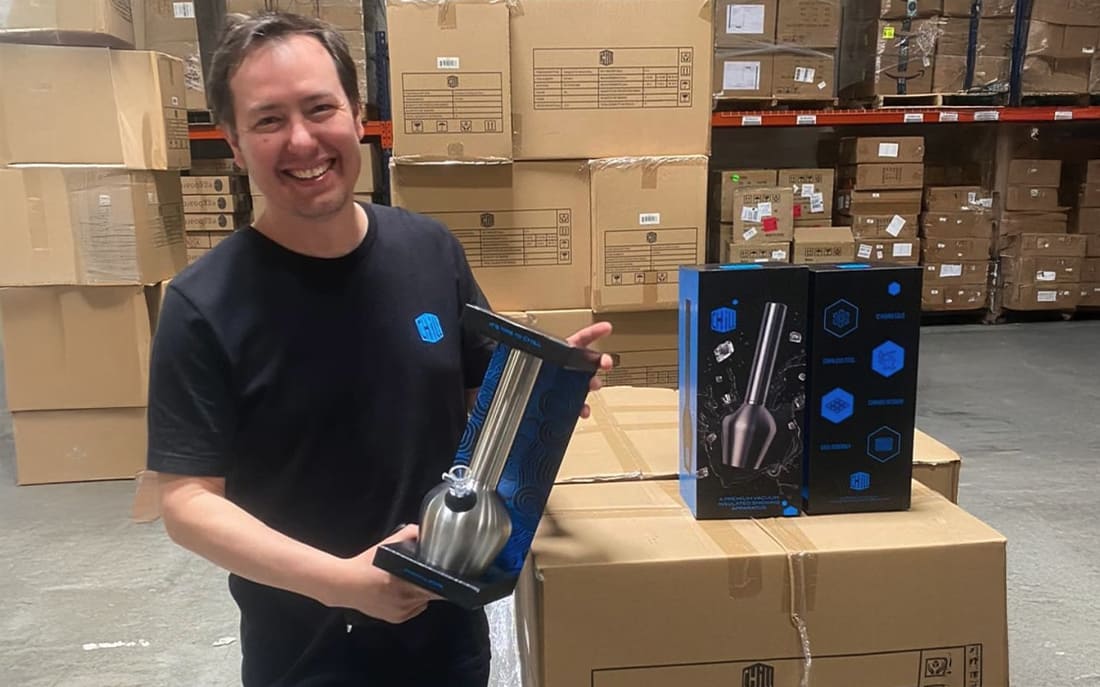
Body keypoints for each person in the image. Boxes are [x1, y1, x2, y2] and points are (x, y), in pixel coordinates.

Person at [146, 11, 613, 687]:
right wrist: (344, 582)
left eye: (319, 107)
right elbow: (187, 503)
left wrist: (549, 391)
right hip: (304, 648)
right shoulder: (202, 305)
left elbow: (476, 398)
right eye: (269, 120)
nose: (303, 140)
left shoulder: (429, 251)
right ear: (234, 141)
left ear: (356, 112)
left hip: (445, 634)